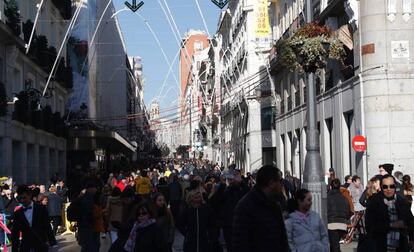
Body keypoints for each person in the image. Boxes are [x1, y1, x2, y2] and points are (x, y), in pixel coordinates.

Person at [232, 166, 289, 252]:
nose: (282, 184)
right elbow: (240, 243)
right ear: (271, 183)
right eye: (280, 181)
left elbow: (282, 237)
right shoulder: (245, 206)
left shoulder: (275, 204)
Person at [365, 174, 414, 251]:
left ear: (395, 187)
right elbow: (369, 226)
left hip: (401, 245)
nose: (388, 189)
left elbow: (410, 221)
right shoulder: (374, 202)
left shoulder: (402, 201)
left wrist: (412, 238)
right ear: (381, 187)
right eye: (385, 186)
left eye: (391, 186)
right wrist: (391, 225)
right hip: (380, 245)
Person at [209, 169, 247, 252]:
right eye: (230, 178)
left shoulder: (241, 191)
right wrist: (223, 184)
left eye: (234, 177)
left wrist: (241, 182)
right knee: (230, 246)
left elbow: (249, 195)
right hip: (228, 225)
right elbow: (214, 202)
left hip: (242, 224)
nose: (232, 180)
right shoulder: (224, 192)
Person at [11, 185, 57, 251]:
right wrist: (14, 249)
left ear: (29, 195)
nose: (22, 200)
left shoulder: (41, 209)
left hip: (40, 244)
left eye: (24, 198)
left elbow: (47, 226)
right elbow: (15, 233)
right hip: (25, 246)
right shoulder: (17, 213)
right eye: (20, 198)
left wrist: (53, 243)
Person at [327, 179, 353, 252]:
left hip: (331, 224)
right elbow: (349, 211)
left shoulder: (328, 198)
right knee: (334, 244)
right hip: (343, 224)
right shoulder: (344, 198)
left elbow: (325, 211)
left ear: (331, 187)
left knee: (334, 246)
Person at [77, 182, 99, 252]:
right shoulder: (88, 198)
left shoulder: (84, 196)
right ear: (90, 189)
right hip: (87, 225)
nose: (96, 190)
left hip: (84, 224)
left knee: (87, 245)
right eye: (95, 188)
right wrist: (92, 222)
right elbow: (88, 212)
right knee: (90, 245)